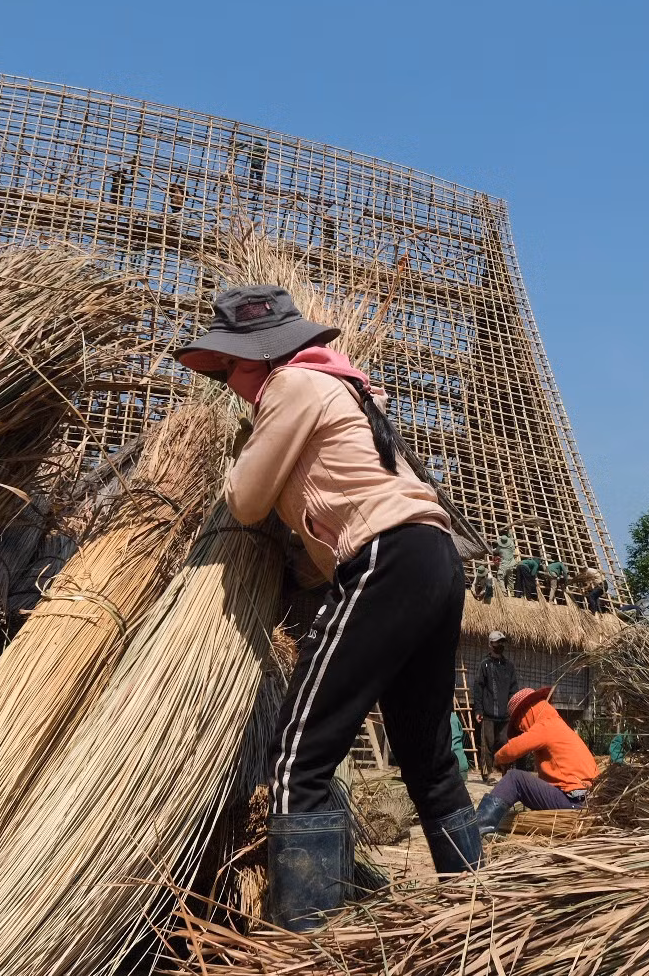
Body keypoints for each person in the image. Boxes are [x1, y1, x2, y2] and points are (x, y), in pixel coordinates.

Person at [174, 285, 481, 932]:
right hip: (434, 557)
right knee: (429, 759)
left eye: (232, 366)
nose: (230, 381)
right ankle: (477, 912)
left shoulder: (291, 388)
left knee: (298, 758)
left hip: (385, 561)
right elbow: (320, 537)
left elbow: (246, 501)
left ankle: (305, 939)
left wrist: (244, 456)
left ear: (266, 354)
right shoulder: (347, 389)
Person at [475, 687, 598, 835]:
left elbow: (513, 749)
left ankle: (477, 831)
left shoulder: (546, 725)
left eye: (519, 722)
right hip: (584, 799)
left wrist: (497, 758)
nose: (521, 727)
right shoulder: (562, 727)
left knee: (515, 779)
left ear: (527, 712)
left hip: (572, 802)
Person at [469, 631, 518, 783]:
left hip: (505, 714)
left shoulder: (509, 666)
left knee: (505, 744)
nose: (500, 645)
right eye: (497, 642)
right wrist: (478, 709)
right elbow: (478, 687)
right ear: (490, 644)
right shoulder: (484, 665)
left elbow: (513, 689)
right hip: (488, 713)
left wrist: (515, 708)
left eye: (502, 642)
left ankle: (505, 775)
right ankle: (487, 774)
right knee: (487, 745)